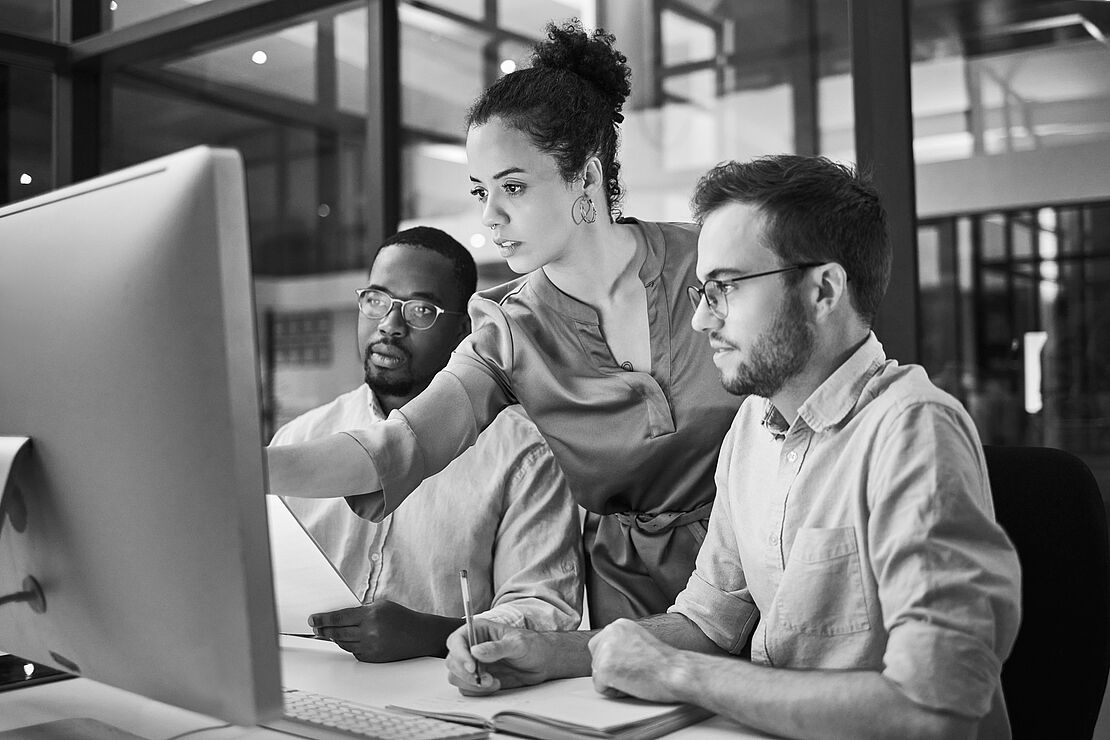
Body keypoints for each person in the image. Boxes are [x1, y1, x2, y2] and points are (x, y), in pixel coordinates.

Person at [444, 155, 1023, 739]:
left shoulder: (913, 432)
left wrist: (676, 673)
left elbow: (936, 711)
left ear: (823, 290)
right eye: (701, 290)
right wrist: (550, 652)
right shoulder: (753, 425)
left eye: (724, 288)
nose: (699, 320)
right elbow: (708, 621)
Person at [266, 20, 742, 626]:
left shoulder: (711, 263)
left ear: (587, 175)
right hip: (629, 607)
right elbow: (395, 448)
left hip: (762, 561)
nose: (490, 217)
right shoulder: (507, 329)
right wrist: (246, 464)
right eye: (479, 191)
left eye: (512, 187)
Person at [271, 226, 582, 662]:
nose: (390, 325)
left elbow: (545, 611)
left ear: (464, 331)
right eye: (377, 300)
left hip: (444, 691)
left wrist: (433, 635)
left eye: (420, 310)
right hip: (302, 674)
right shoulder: (299, 438)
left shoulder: (524, 453)